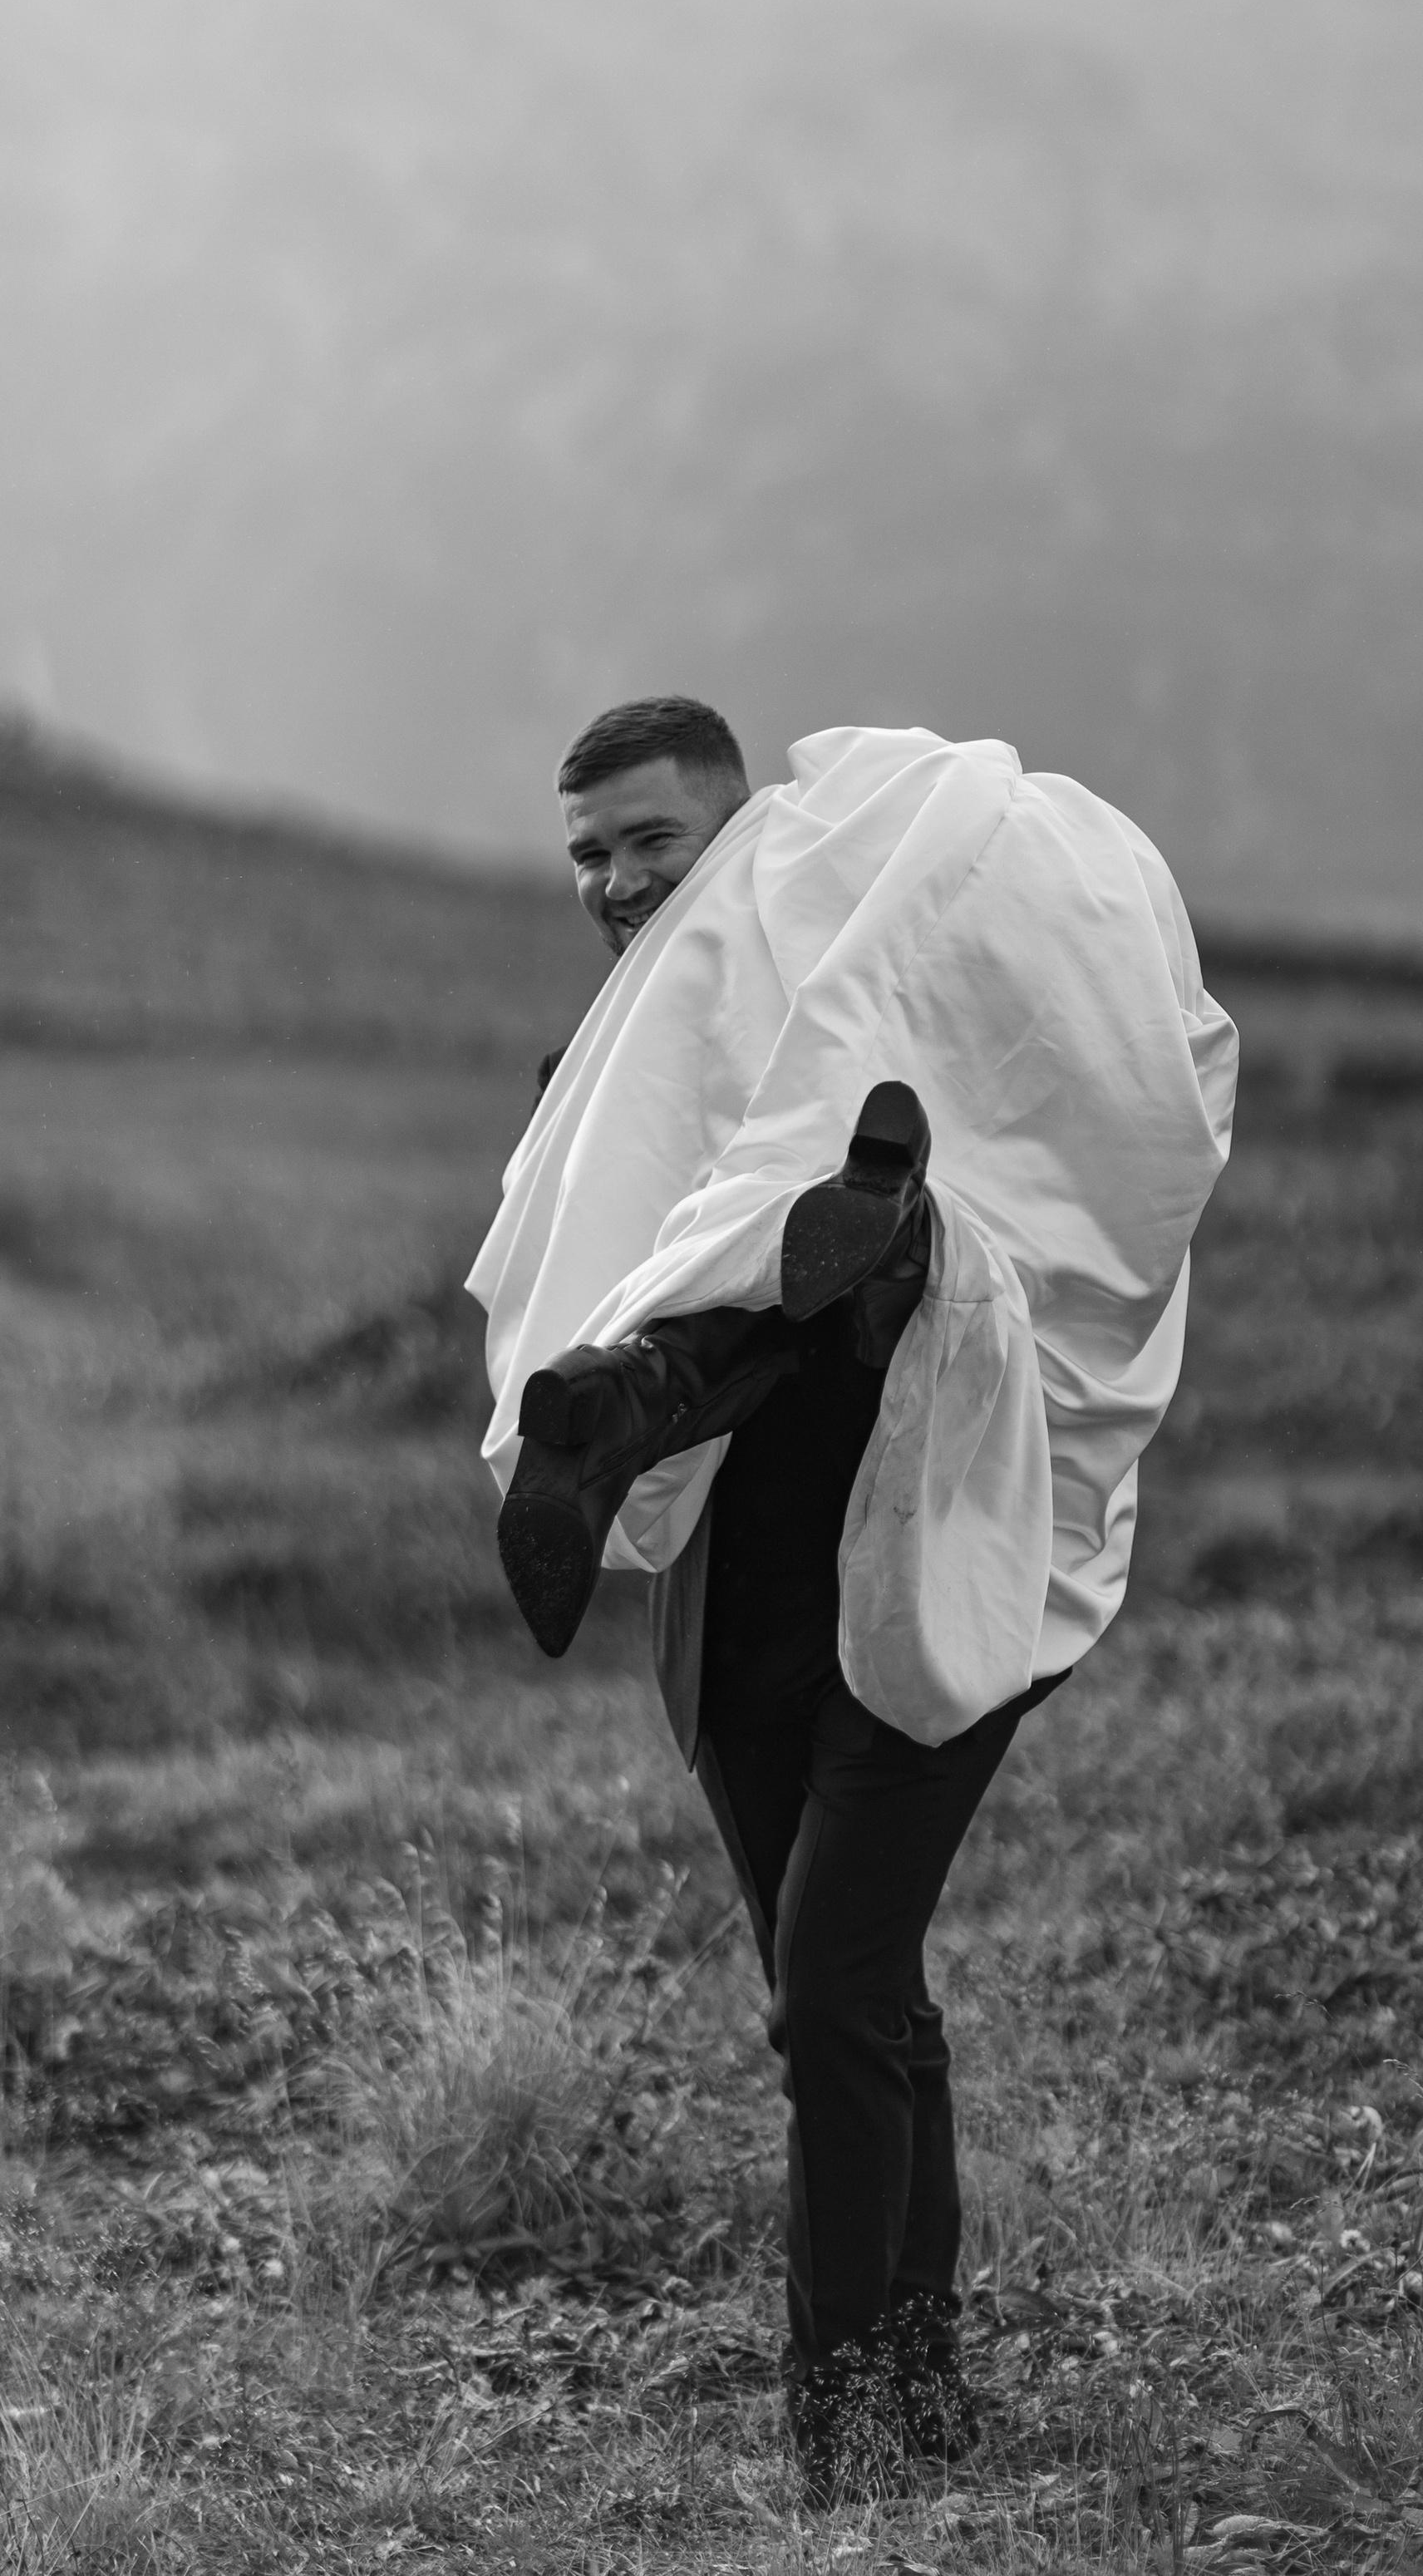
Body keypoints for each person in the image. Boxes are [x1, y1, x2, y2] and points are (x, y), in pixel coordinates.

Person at [467, 697, 1236, 2499]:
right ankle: (915, 2383)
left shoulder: (894, 998)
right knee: (854, 2002)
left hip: (934, 1566)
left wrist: (882, 1197)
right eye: (587, 853)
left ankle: (843, 2431)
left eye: (650, 840)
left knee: (832, 1989)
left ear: (740, 830)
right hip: (739, 1612)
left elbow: (1082, 1159)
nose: (615, 880)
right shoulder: (630, 1073)